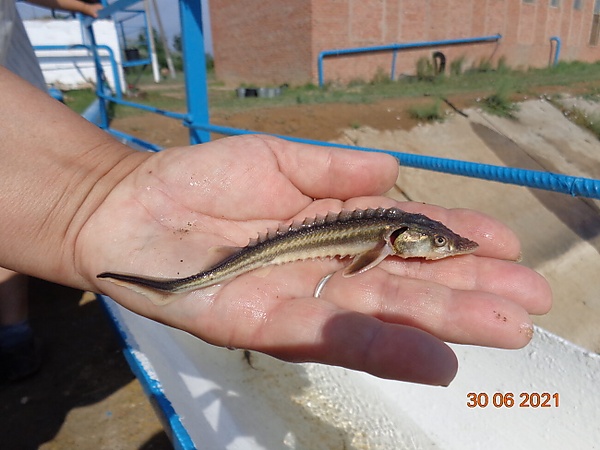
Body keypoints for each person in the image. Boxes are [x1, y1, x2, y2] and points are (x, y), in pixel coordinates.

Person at [0, 66, 552, 385]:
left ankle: (173, 284)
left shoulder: (391, 235)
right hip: (284, 245)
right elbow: (360, 266)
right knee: (220, 272)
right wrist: (92, 201)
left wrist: (91, 198)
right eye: (436, 243)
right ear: (401, 239)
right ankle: (176, 285)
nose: (441, 248)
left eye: (440, 245)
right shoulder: (383, 242)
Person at [0, 0, 103, 382]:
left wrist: (78, 5)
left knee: (12, 208)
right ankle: (15, 334)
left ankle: (14, 334)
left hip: (14, 95)